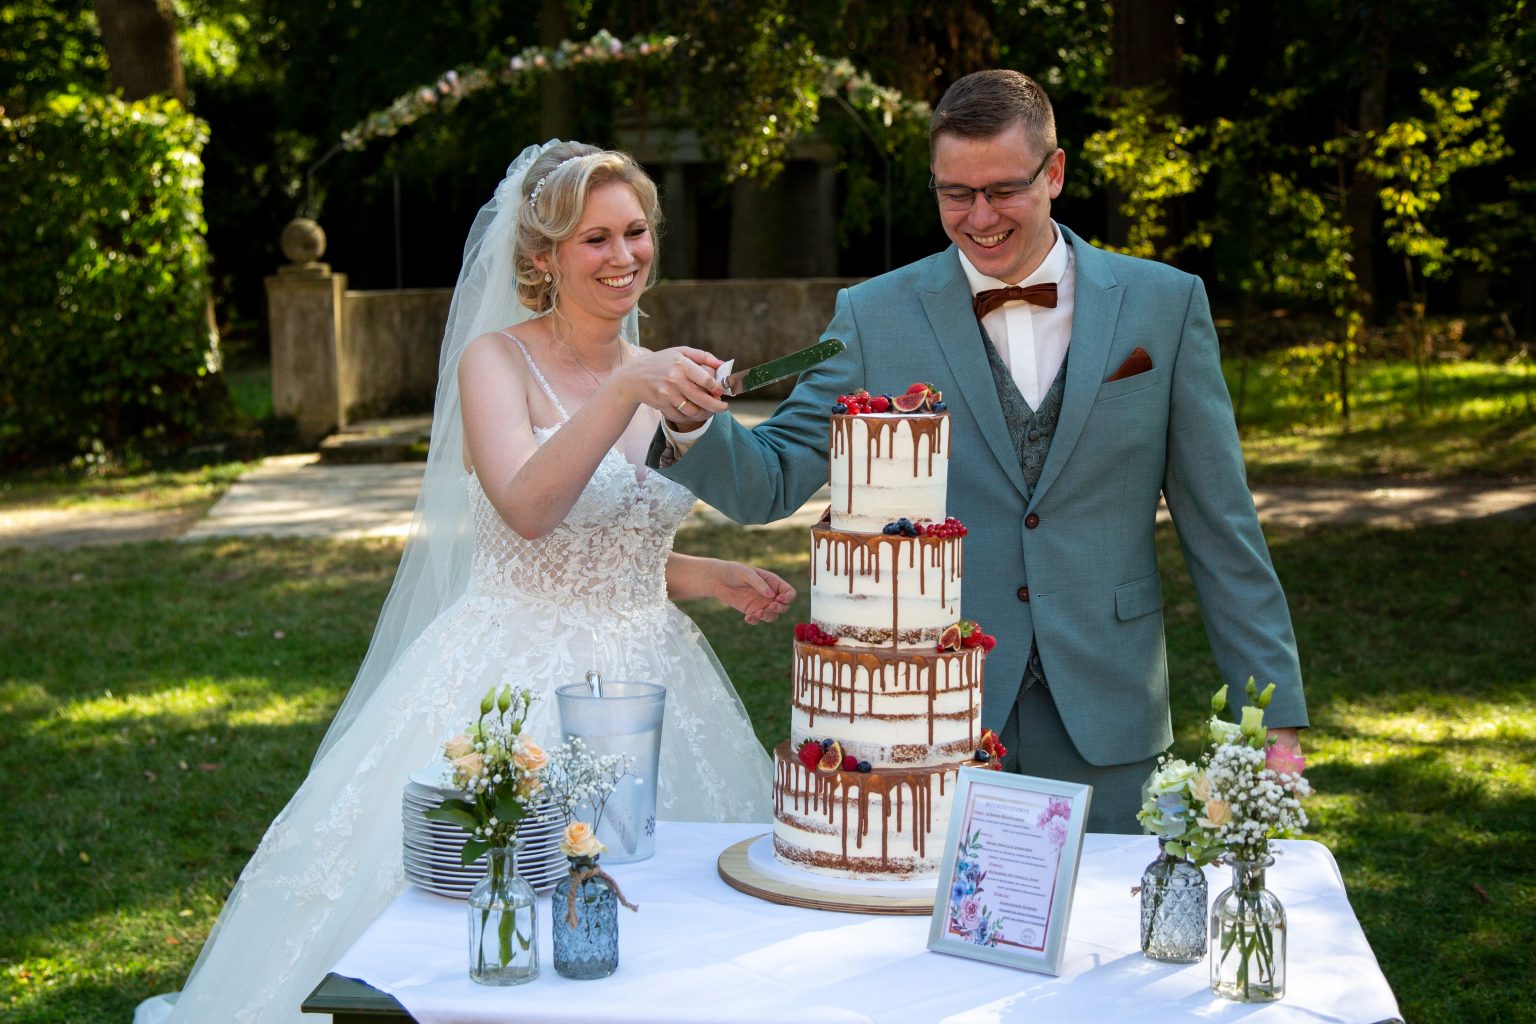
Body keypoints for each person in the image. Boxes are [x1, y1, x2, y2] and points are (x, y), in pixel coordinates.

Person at [135, 140, 790, 1024]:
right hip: (516, 683)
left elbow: (613, 540)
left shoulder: (661, 370)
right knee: (490, 904)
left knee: (668, 920)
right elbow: (527, 511)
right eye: (594, 239)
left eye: (635, 232)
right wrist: (626, 386)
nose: (623, 256)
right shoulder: (496, 362)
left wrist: (706, 573)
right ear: (541, 256)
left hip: (651, 677)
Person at [650, 70, 1306, 834]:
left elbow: (1222, 529)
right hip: (933, 718)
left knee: (1103, 943)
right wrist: (692, 426)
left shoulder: (1164, 304)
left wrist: (1276, 726)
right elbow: (772, 481)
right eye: (954, 194)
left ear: (1055, 173)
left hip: (1109, 706)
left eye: (1003, 190)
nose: (979, 217)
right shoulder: (871, 316)